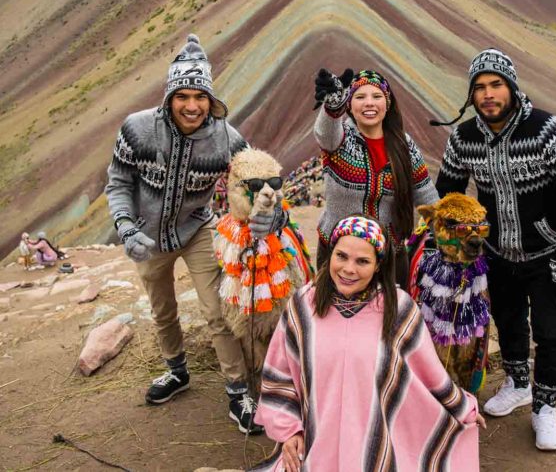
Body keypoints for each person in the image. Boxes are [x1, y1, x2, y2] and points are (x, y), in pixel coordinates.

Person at [105, 34, 283, 433]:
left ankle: (238, 392)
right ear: (169, 97)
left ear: (210, 99)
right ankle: (176, 371)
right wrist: (125, 225)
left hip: (198, 228)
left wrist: (271, 216)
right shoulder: (135, 129)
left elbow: (258, 181)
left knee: (217, 310)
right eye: (182, 95)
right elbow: (117, 183)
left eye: (199, 96)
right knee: (162, 309)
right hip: (145, 236)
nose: (192, 105)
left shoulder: (228, 139)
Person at [433, 48, 556, 451]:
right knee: (509, 321)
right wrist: (454, 240)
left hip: (549, 252)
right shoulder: (463, 138)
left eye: (496, 85)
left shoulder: (549, 131)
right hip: (496, 252)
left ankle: (545, 408)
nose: (488, 94)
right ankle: (518, 383)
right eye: (480, 87)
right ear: (471, 95)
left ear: (512, 88)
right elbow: (448, 192)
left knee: (553, 333)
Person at [253, 215, 484, 471]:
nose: (349, 269)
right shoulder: (303, 307)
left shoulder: (398, 309)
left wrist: (463, 408)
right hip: (315, 445)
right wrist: (289, 432)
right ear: (330, 255)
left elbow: (430, 375)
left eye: (362, 261)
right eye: (341, 256)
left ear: (377, 266)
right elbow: (280, 375)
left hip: (377, 449)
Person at [313, 68, 438, 288]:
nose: (369, 103)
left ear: (387, 103)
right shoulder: (340, 140)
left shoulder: (404, 145)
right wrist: (332, 106)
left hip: (389, 255)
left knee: (389, 318)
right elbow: (324, 133)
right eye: (360, 97)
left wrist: (448, 236)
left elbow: (426, 194)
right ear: (349, 105)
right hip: (339, 254)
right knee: (334, 317)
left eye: (377, 96)